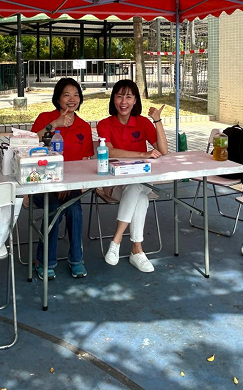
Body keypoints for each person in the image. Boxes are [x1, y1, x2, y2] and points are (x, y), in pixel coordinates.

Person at [96, 79, 168, 273]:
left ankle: (116, 240)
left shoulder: (143, 122)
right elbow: (109, 152)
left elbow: (163, 150)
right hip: (114, 183)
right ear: (113, 99)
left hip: (141, 180)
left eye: (128, 97)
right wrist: (142, 154)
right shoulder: (104, 124)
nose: (123, 101)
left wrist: (157, 120)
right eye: (119, 96)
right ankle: (136, 250)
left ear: (135, 100)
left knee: (136, 186)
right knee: (140, 197)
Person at [30, 77, 94, 279]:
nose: (72, 99)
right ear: (58, 99)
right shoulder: (45, 118)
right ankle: (44, 261)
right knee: (54, 206)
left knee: (74, 208)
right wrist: (54, 124)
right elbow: (30, 144)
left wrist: (69, 185)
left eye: (76, 95)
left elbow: (84, 162)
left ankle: (76, 260)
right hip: (42, 184)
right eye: (66, 95)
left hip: (70, 185)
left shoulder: (83, 126)